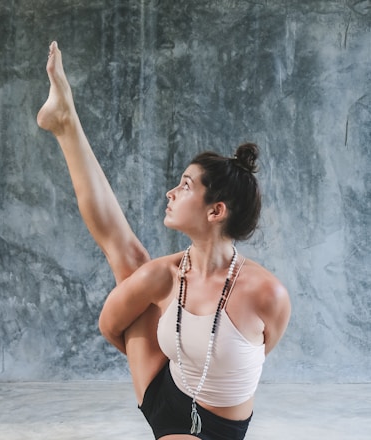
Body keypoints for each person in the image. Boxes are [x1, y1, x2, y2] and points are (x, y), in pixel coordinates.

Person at [37, 41, 291, 440]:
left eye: (185, 186)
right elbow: (110, 325)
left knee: (131, 256)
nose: (171, 193)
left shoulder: (267, 293)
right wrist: (149, 351)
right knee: (129, 255)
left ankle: (66, 121)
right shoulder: (165, 277)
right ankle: (66, 121)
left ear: (215, 210)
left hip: (221, 427)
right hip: (164, 393)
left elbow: (254, 357)